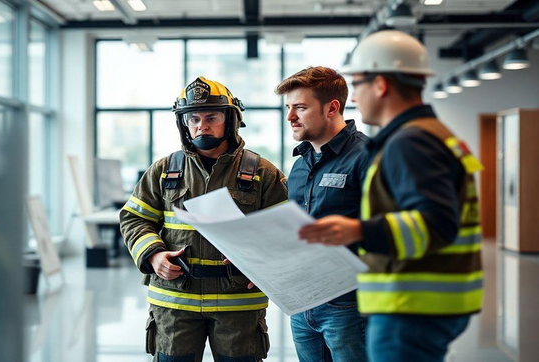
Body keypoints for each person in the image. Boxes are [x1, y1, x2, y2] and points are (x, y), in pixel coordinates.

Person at [297, 30, 483, 362]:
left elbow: (438, 221)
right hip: (428, 304)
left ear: (380, 85)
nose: (355, 97)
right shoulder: (429, 134)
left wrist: (358, 230)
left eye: (359, 85)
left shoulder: (411, 142)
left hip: (411, 305)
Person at [120, 76, 288, 362]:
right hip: (174, 304)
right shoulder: (164, 169)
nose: (202, 125)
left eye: (212, 116)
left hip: (239, 305)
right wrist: (154, 256)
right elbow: (134, 218)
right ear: (183, 123)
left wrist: (263, 263)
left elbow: (286, 232)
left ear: (231, 120)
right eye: (193, 118)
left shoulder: (263, 172)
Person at [275, 66, 369, 362]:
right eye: (288, 108)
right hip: (302, 304)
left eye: (300, 107)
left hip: (349, 306)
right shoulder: (300, 164)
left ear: (332, 108)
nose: (290, 117)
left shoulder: (367, 157)